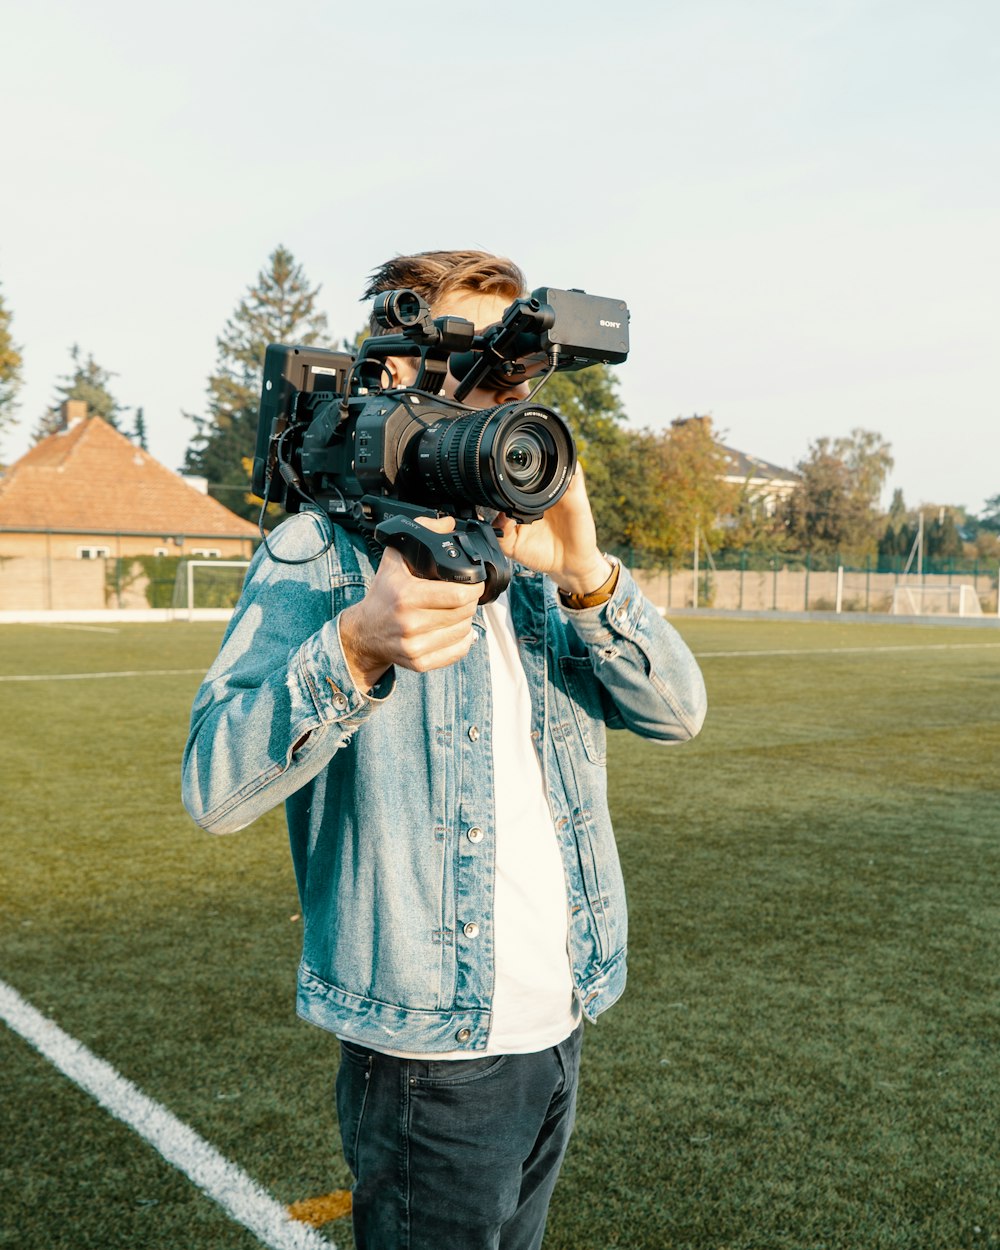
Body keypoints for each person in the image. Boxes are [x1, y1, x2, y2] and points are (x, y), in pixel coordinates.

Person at [182, 248, 707, 1249]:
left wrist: (588, 572)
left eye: (509, 378)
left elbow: (679, 711)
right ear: (388, 373)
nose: (493, 400)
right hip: (429, 1050)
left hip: (560, 1018)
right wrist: (355, 647)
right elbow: (213, 783)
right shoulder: (320, 550)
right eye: (465, 369)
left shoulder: (541, 554)